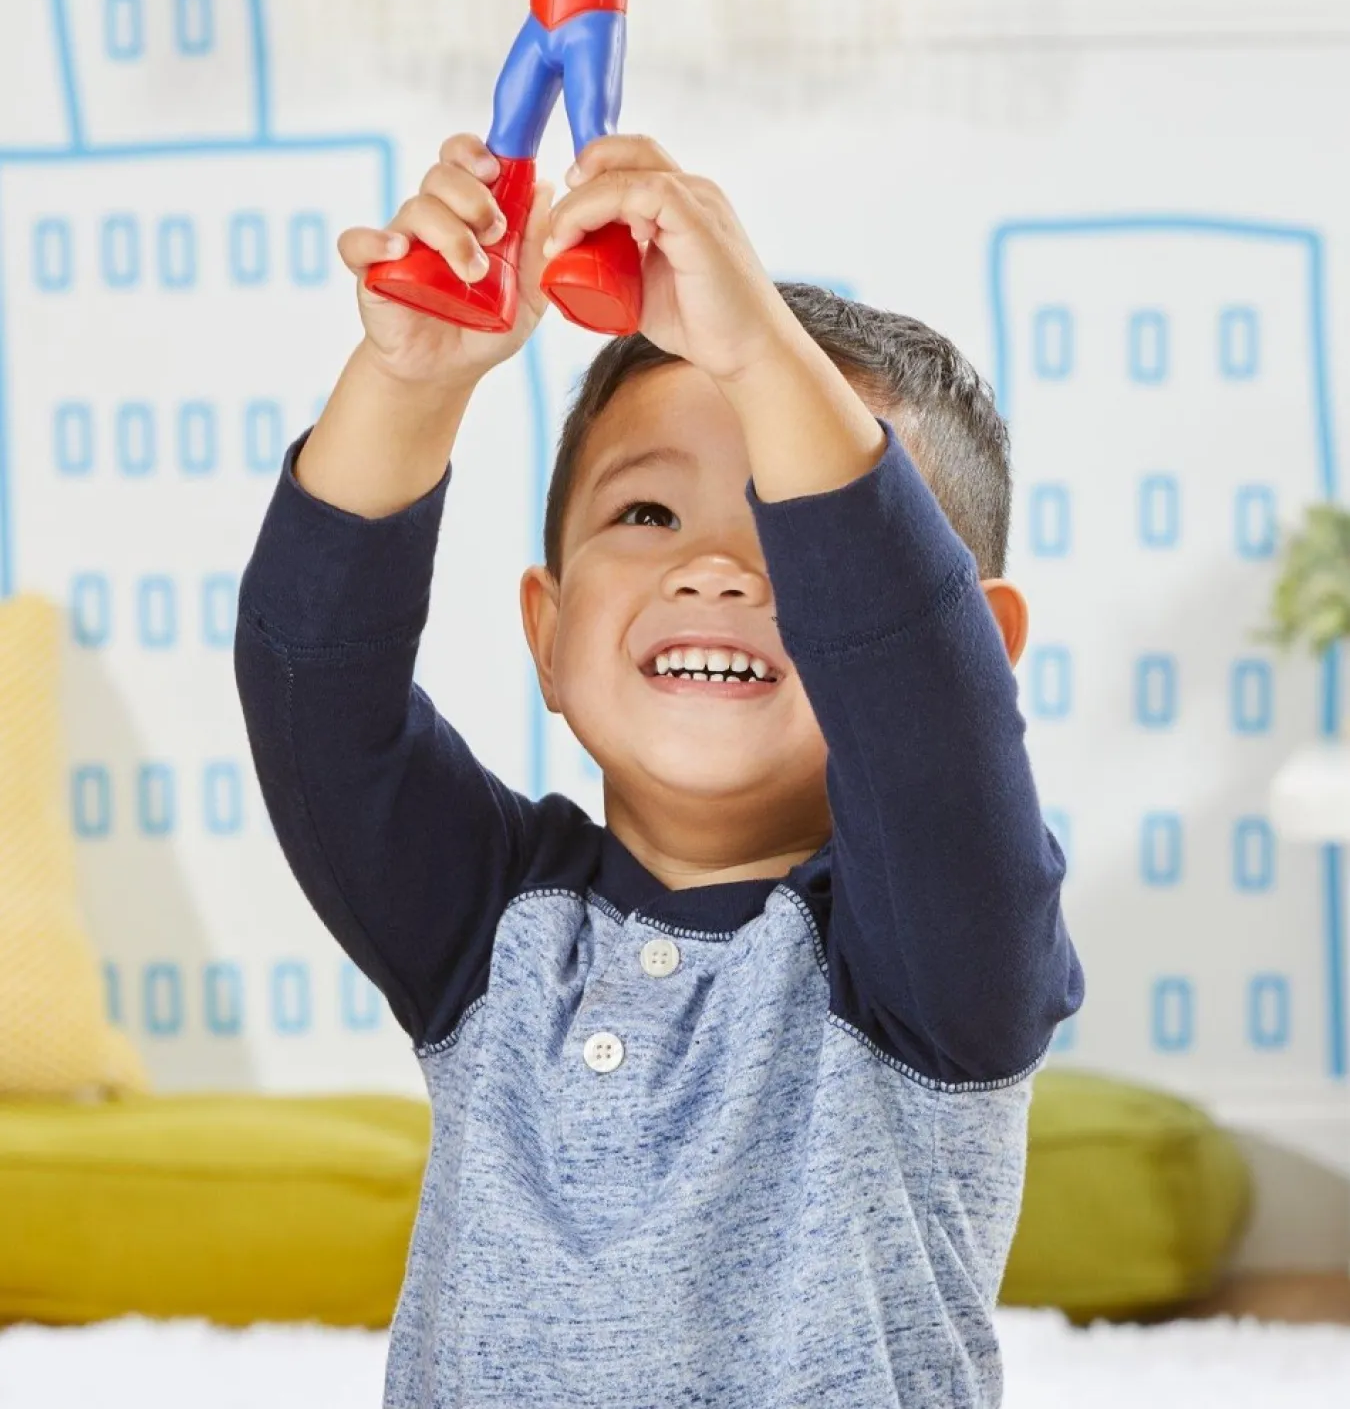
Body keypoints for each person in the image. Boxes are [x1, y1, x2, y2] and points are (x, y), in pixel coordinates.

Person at [235, 131, 1083, 1408]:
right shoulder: (491, 923)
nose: (717, 570)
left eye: (792, 529)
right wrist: (409, 382)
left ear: (976, 648)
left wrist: (758, 353)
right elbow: (314, 685)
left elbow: (924, 717)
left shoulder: (940, 966)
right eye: (648, 514)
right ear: (549, 634)